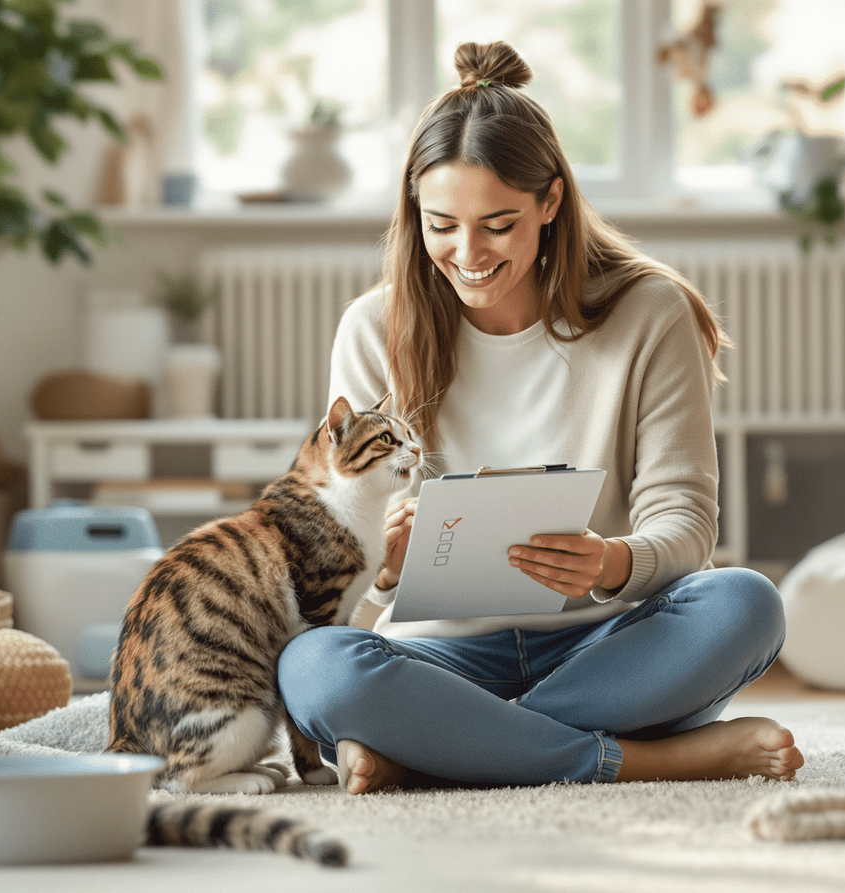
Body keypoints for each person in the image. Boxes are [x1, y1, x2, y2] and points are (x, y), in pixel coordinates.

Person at [277, 40, 804, 794]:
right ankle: (643, 757)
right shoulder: (373, 327)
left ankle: (446, 744)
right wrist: (385, 567)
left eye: (498, 224)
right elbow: (349, 546)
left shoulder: (649, 313)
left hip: (610, 639)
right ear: (414, 213)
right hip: (441, 655)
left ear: (550, 202)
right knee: (313, 665)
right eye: (442, 226)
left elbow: (685, 518)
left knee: (747, 603)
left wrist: (612, 561)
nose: (467, 254)